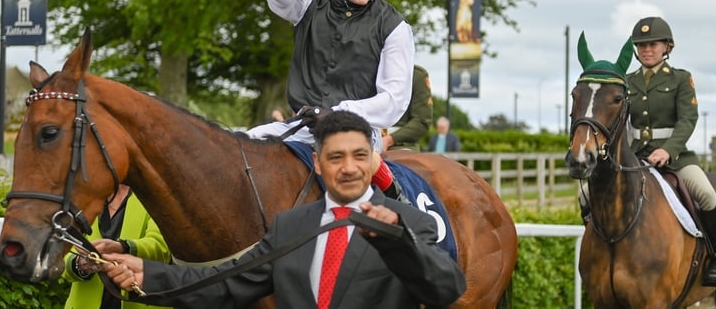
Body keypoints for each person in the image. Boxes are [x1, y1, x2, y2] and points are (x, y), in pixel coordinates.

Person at [103, 111, 466, 308]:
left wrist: (397, 242)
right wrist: (149, 275)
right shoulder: (289, 227)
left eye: (359, 156)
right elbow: (227, 284)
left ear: (373, 162)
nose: (349, 167)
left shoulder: (411, 223)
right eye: (336, 157)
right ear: (318, 164)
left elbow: (446, 289)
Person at [244, 0, 415, 202]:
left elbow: (394, 101)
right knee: (236, 148)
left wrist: (338, 112)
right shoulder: (306, 4)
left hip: (358, 134)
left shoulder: (395, 27)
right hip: (299, 129)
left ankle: (399, 214)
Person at [627, 16, 716, 287]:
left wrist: (667, 151)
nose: (646, 49)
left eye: (653, 44)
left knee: (706, 195)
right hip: (635, 156)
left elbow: (687, 120)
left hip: (676, 156)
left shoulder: (681, 79)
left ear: (666, 47)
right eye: (641, 45)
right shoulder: (627, 82)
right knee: (590, 192)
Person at [63, 184, 171, 309]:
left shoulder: (155, 198)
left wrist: (123, 247)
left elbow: (160, 247)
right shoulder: (85, 197)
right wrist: (80, 263)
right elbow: (65, 249)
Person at [381, 65, 432, 151]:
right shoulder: (362, 72)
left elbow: (421, 122)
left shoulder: (416, 75)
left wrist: (389, 139)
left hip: (400, 145)